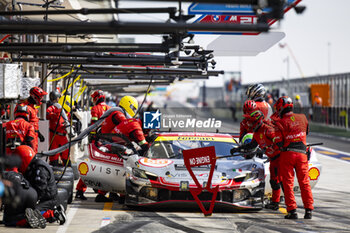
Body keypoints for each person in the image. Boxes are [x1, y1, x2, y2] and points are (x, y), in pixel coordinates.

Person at [231, 110, 283, 210]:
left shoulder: (268, 130)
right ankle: (275, 203)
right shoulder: (256, 133)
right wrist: (238, 149)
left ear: (257, 121)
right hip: (272, 159)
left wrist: (268, 148)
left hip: (281, 158)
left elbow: (279, 143)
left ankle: (289, 207)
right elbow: (251, 145)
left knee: (281, 182)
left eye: (251, 122)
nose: (248, 124)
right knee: (273, 181)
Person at [274, 96, 314, 219]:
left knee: (288, 183)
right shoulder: (303, 117)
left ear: (280, 108)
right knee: (305, 182)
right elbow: (306, 133)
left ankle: (292, 211)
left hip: (288, 155)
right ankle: (309, 210)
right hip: (302, 154)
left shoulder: (279, 122)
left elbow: (279, 143)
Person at [10, 146, 66, 226]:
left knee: (28, 214)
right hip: (40, 197)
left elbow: (40, 189)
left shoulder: (40, 168)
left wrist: (29, 203)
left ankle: (54, 214)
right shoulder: (31, 166)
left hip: (47, 200)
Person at [75, 90, 110, 201]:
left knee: (90, 165)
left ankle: (80, 190)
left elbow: (93, 125)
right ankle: (102, 192)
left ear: (97, 98)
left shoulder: (95, 109)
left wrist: (92, 138)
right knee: (107, 167)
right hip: (109, 142)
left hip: (97, 142)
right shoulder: (110, 109)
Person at [15, 86, 48, 153]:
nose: (41, 99)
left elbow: (33, 124)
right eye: (40, 97)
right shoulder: (24, 107)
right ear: (34, 96)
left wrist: (38, 134)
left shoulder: (33, 108)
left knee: (33, 157)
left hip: (33, 137)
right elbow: (21, 125)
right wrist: (28, 140)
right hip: (27, 139)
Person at [46, 91, 71, 166]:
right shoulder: (51, 108)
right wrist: (55, 115)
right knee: (54, 158)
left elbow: (66, 118)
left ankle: (67, 171)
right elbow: (47, 115)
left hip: (61, 135)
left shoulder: (61, 108)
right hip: (55, 135)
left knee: (66, 156)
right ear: (57, 98)